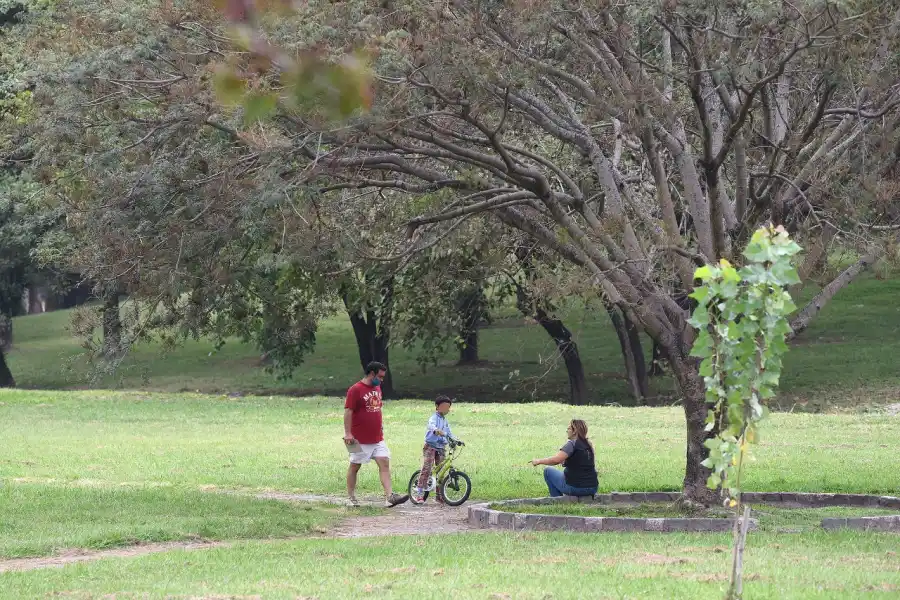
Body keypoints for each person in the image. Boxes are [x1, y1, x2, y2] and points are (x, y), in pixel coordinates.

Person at [343, 361, 409, 507]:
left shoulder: (377, 387)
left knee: (384, 462)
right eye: (380, 376)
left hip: (377, 437)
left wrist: (381, 426)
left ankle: (389, 497)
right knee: (355, 465)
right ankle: (351, 497)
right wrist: (347, 433)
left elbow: (377, 408)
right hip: (357, 438)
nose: (381, 380)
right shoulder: (355, 389)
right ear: (371, 373)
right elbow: (348, 411)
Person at [529, 419, 598, 497]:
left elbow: (555, 460)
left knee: (548, 471)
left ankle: (557, 501)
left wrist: (538, 461)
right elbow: (583, 463)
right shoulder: (589, 444)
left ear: (574, 431)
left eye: (568, 428)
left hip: (575, 488)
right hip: (593, 488)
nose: (566, 431)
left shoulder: (572, 444)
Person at [412, 395, 453, 504]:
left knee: (441, 472)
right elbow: (430, 425)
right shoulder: (434, 418)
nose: (446, 409)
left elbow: (449, 433)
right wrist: (436, 430)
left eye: (448, 407)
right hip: (430, 446)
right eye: (444, 406)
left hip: (441, 447)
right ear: (437, 406)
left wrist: (455, 440)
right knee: (427, 468)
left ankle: (439, 496)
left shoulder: (445, 421)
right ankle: (419, 493)